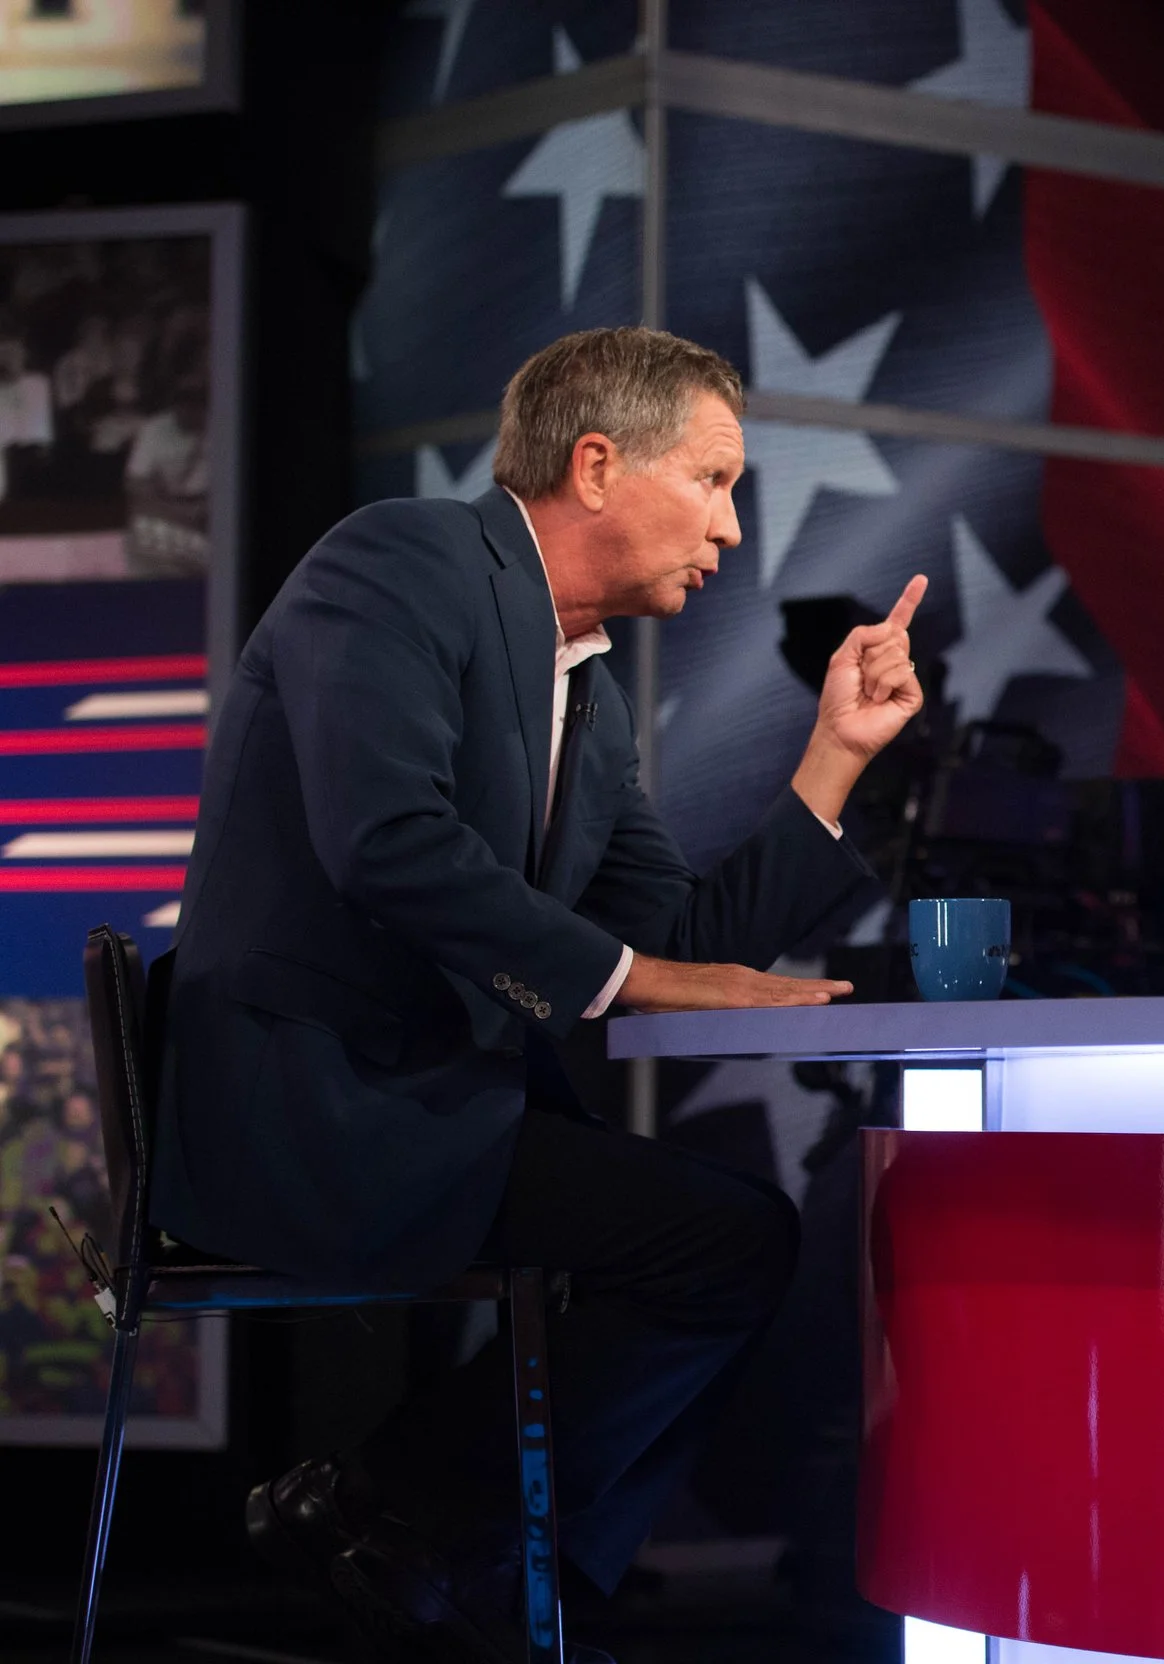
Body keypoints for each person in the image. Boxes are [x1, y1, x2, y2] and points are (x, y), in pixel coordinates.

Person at [153, 327, 919, 1662]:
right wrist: (634, 978)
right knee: (718, 1243)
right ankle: (428, 1531)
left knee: (733, 1240)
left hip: (439, 1104)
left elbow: (672, 934)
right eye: (717, 482)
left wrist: (832, 760)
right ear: (600, 462)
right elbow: (386, 842)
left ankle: (454, 1558)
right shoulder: (400, 562)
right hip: (315, 1107)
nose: (733, 532)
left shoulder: (587, 688)